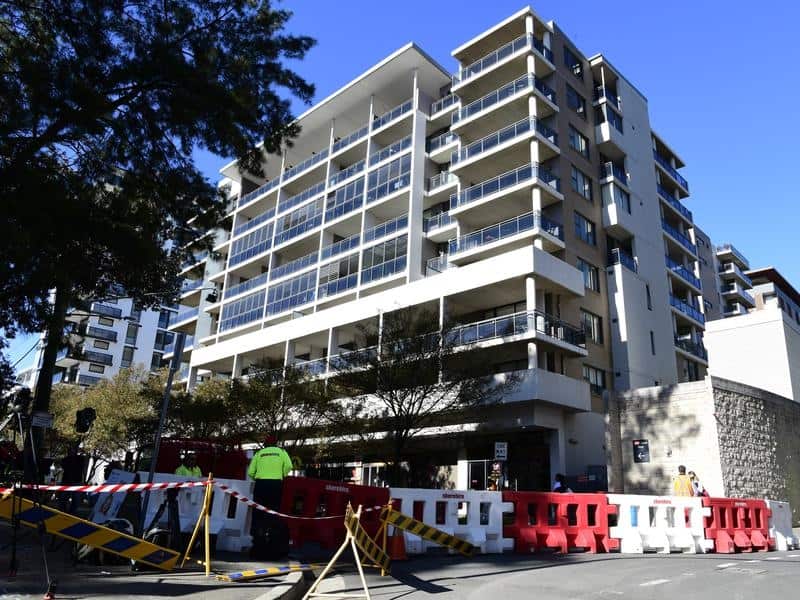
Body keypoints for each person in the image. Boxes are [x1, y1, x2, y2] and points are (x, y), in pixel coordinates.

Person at [247, 435, 293, 559]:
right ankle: (273, 545)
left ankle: (257, 546)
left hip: (261, 485)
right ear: (276, 444)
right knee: (273, 514)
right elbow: (289, 466)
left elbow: (250, 472)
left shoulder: (259, 454)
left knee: (258, 515)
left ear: (265, 445)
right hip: (276, 485)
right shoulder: (281, 452)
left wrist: (258, 478)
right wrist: (281, 475)